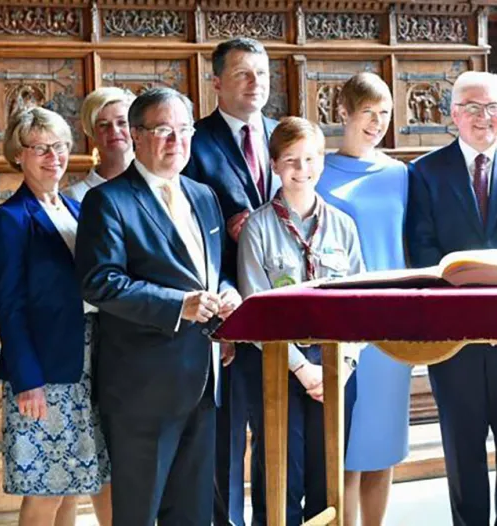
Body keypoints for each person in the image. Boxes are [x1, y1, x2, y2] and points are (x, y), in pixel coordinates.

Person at [75, 87, 241, 525]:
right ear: (135, 135)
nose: (177, 141)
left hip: (204, 382)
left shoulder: (204, 196)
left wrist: (228, 293)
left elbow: (212, 271)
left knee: (192, 513)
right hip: (141, 390)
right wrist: (178, 305)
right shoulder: (109, 200)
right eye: (164, 130)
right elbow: (100, 282)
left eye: (184, 130)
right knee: (140, 514)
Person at [405, 71, 497, 526]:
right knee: (462, 448)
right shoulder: (425, 172)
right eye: (471, 106)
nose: (483, 117)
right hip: (456, 341)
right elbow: (425, 251)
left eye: (492, 107)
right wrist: (476, 318)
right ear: (453, 114)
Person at [238, 116, 364, 525]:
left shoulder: (343, 226)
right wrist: (303, 369)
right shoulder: (258, 227)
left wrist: (341, 366)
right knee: (280, 475)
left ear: (322, 162)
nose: (302, 169)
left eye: (310, 159)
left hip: (336, 367)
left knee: (328, 477)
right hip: (280, 365)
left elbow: (364, 304)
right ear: (274, 164)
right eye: (291, 160)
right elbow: (255, 305)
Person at [0, 107, 112, 526]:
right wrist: (27, 380)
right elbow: (8, 305)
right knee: (46, 488)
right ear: (18, 155)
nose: (53, 156)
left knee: (72, 485)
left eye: (60, 146)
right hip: (44, 369)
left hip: (88, 356)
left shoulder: (74, 209)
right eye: (40, 148)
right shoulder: (9, 220)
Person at [181, 37, 279, 525]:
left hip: (282, 310)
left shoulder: (285, 136)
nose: (255, 83)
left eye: (261, 73)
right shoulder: (194, 141)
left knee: (278, 431)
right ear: (216, 81)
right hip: (224, 310)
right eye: (242, 74)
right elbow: (190, 229)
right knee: (225, 432)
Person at [316, 72, 410, 526]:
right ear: (343, 113)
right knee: (347, 447)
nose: (377, 123)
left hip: (391, 323)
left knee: (384, 445)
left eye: (385, 114)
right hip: (344, 322)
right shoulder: (318, 171)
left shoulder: (400, 174)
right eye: (368, 112)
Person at [64, 87, 135, 202]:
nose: (114, 131)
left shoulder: (158, 185)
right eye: (103, 125)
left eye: (122, 123)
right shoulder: (75, 197)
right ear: (91, 133)